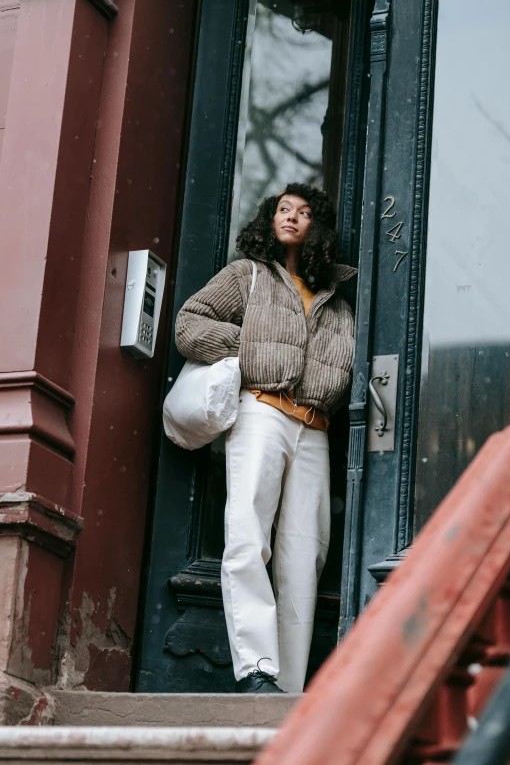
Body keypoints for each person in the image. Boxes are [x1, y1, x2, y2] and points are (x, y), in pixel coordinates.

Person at [175, 183, 356, 693]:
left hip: (315, 428)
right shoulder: (247, 275)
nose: (291, 218)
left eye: (303, 213)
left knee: (305, 556)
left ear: (317, 228)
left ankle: (290, 689)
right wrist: (249, 348)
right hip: (262, 412)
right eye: (283, 210)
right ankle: (257, 668)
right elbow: (189, 323)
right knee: (248, 535)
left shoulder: (337, 304)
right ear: (269, 219)